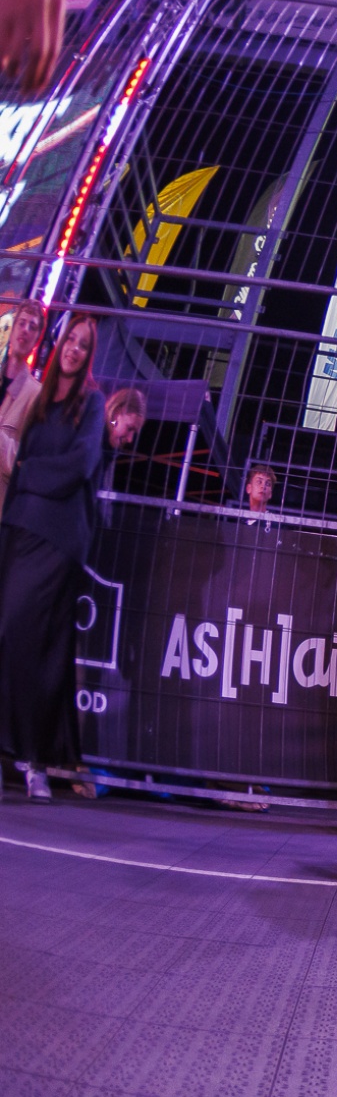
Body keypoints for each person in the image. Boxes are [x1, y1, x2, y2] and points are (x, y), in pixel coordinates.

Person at [0, 315, 101, 801]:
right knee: (12, 640)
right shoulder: (39, 400)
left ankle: (33, 760)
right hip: (17, 530)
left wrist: (29, 471)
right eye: (71, 340)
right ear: (60, 344)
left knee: (29, 642)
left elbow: (79, 465)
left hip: (56, 540)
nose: (74, 349)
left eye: (84, 344)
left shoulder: (92, 403)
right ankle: (23, 757)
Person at [0, 299, 47, 520]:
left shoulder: (37, 395)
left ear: (37, 340)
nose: (25, 330)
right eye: (22, 323)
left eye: (32, 326)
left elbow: (23, 463)